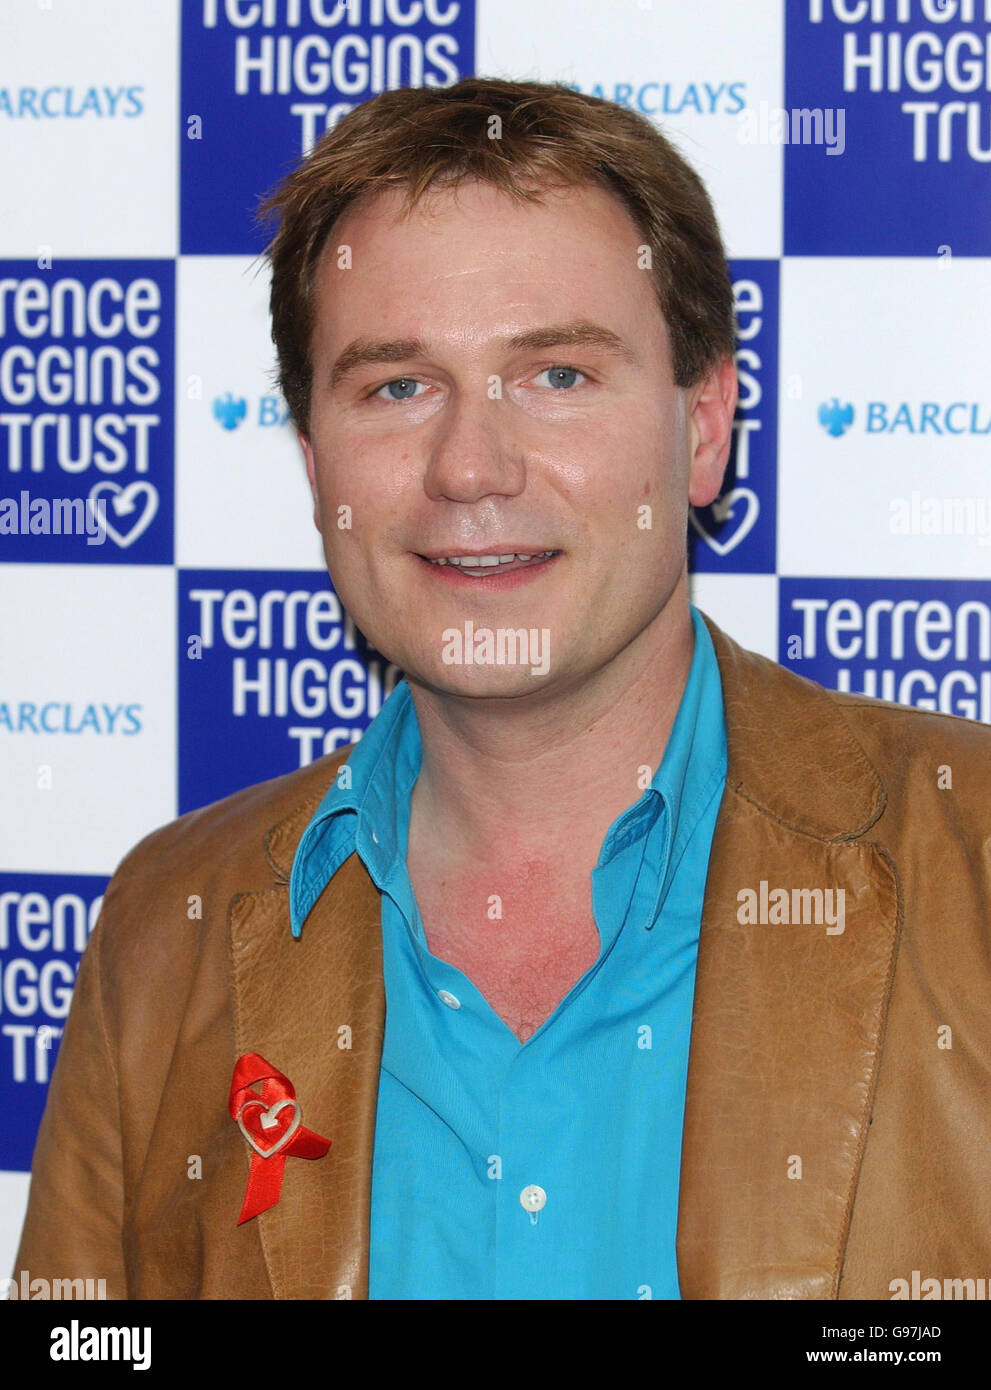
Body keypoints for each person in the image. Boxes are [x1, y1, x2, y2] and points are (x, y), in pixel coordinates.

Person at [13, 77, 991, 1302]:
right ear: (316, 466)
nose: (470, 465)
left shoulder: (974, 855)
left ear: (704, 425)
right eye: (396, 387)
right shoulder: (166, 927)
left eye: (558, 376)